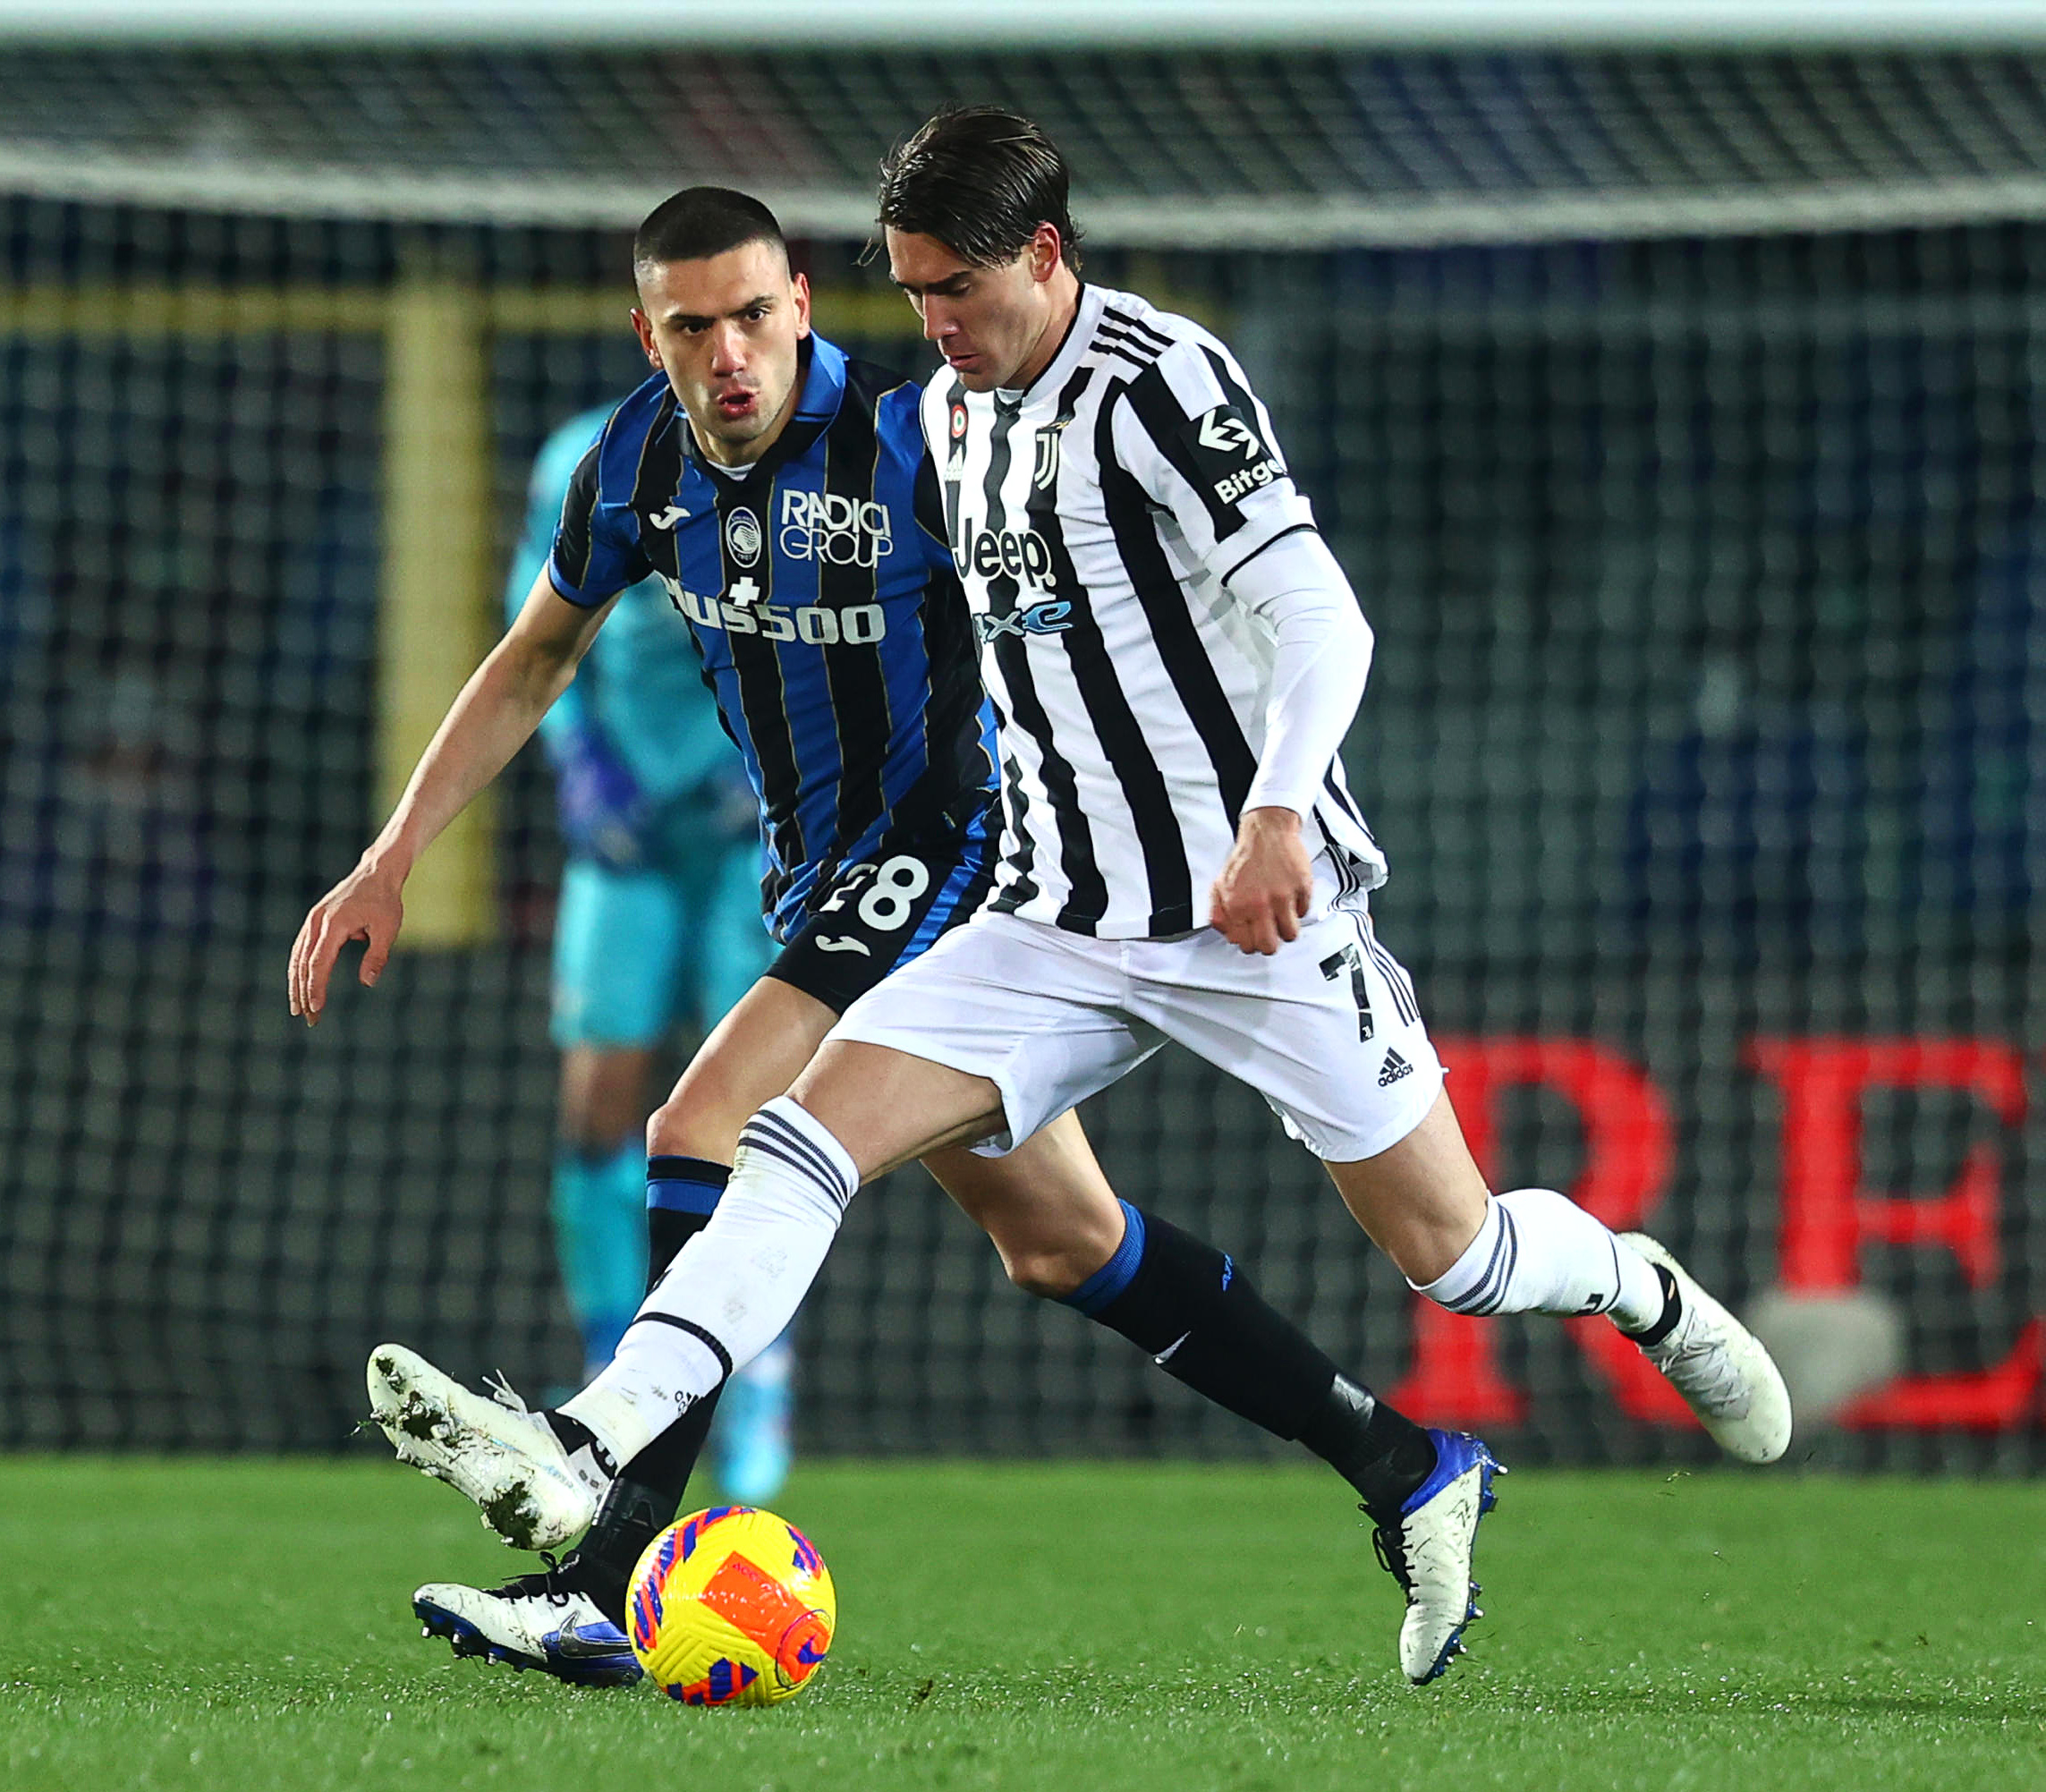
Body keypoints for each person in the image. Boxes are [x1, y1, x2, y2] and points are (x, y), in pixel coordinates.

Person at [434, 114, 1795, 1686]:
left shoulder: (1161, 383)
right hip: (1046, 916)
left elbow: (1321, 618)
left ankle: (1635, 1288)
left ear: (1045, 256)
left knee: (1459, 1256)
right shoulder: (942, 414)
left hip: (1250, 917)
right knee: (796, 1134)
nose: (932, 324)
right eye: (912, 289)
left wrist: (1277, 811)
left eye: (956, 288)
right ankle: (591, 1448)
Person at [291, 187, 1498, 1691]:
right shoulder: (630, 466)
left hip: (964, 863)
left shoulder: (913, 444)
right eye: (690, 325)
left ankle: (603, 1565)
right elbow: (537, 654)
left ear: (800, 301)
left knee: (701, 1116)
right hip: (814, 878)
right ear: (644, 333)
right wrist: (393, 851)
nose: (728, 352)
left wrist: (1239, 789)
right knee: (1056, 1239)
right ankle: (1401, 1462)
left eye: (751, 313)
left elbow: (1112, 606)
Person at [516, 404, 790, 1501]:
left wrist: (767, 770)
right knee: (599, 1099)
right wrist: (581, 766)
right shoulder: (579, 456)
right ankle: (607, 1353)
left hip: (748, 831)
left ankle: (754, 1369)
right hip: (624, 837)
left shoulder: (805, 468)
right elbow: (531, 623)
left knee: (753, 1112)